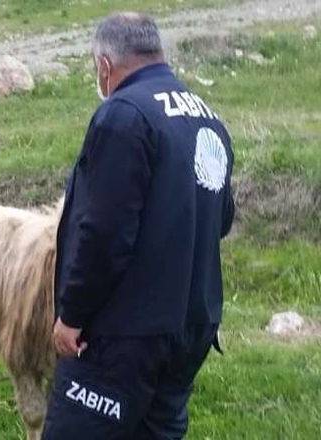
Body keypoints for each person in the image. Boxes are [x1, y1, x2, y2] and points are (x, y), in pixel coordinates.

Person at [44, 12, 235, 440]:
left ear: (105, 66)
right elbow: (220, 219)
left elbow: (103, 233)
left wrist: (71, 315)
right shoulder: (208, 120)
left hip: (123, 337)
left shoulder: (123, 115)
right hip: (189, 330)